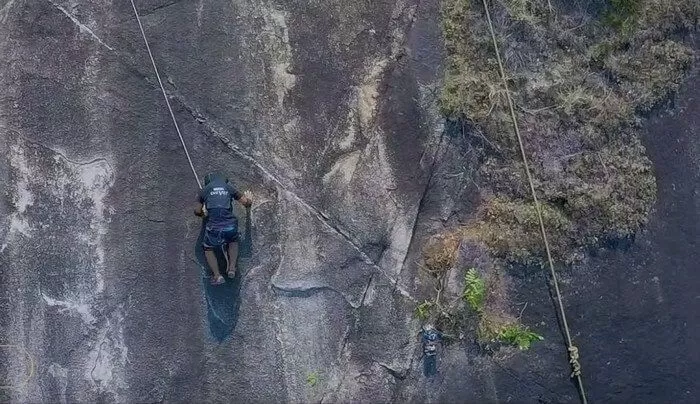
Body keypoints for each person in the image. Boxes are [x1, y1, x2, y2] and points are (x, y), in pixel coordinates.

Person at [194, 172, 252, 285]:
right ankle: (231, 268)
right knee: (233, 241)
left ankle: (217, 275)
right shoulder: (228, 187)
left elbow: (197, 211)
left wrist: (203, 214)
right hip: (230, 225)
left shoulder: (204, 190)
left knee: (208, 248)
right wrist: (249, 200)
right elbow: (246, 203)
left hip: (214, 227)